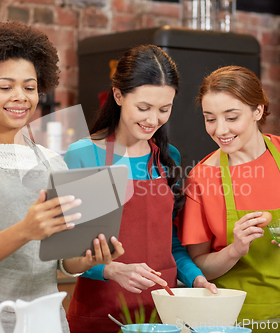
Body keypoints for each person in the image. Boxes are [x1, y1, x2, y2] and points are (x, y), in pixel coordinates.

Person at [0, 20, 123, 333]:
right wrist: (26, 229)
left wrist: (92, 256)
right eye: (6, 87)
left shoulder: (53, 163)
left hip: (45, 324)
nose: (21, 96)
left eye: (30, 87)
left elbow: (64, 262)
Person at [64, 45, 216, 332]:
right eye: (143, 108)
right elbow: (67, 256)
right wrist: (110, 269)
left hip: (162, 316)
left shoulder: (168, 158)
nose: (152, 120)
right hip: (100, 316)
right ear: (119, 95)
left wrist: (196, 279)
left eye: (164, 109)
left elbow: (170, 244)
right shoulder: (83, 155)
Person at [175, 65, 280, 321]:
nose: (220, 130)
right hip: (235, 317)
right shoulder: (202, 178)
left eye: (231, 117)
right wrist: (235, 250)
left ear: (257, 110)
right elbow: (200, 266)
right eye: (210, 118)